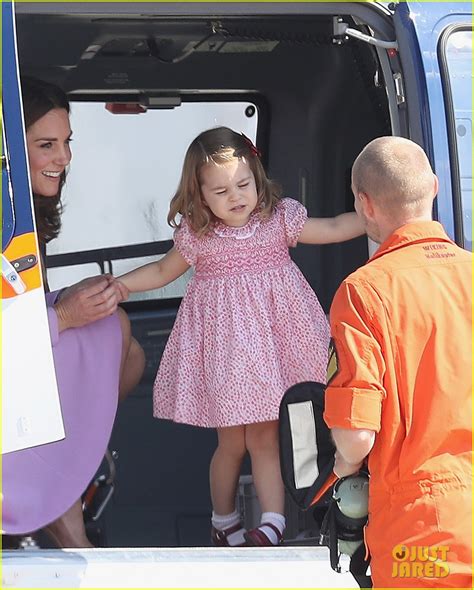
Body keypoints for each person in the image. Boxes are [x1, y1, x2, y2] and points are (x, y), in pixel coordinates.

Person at [116, 126, 365, 546]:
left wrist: (378, 215)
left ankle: (271, 524)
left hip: (274, 350)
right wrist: (118, 286)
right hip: (229, 354)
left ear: (257, 177)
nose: (235, 197)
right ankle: (224, 518)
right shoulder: (199, 236)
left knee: (266, 436)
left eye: (243, 184)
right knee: (231, 442)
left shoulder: (278, 219)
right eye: (220, 191)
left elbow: (334, 227)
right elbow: (161, 272)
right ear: (199, 196)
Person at [2, 77, 145, 548]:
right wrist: (62, 316)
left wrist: (74, 300)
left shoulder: (22, 216)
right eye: (45, 145)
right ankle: (58, 499)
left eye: (66, 143)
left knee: (122, 340)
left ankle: (66, 475)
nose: (62, 159)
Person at [323, 137, 472, 587]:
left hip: (423, 538)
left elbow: (355, 438)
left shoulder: (363, 294)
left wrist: (341, 475)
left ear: (364, 204)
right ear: (435, 186)